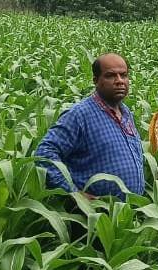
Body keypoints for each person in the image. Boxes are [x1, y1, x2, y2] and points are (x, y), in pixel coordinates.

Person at [34, 53, 144, 199]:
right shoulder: (79, 115)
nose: (119, 81)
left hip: (130, 210)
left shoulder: (126, 113)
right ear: (96, 81)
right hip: (95, 211)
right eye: (111, 76)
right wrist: (74, 194)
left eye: (123, 75)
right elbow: (44, 154)